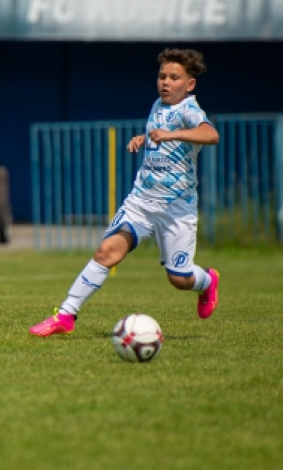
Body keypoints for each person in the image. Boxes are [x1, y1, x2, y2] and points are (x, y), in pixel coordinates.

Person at [30, 47, 220, 337]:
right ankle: (65, 316)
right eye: (162, 76)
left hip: (176, 209)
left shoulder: (190, 110)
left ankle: (207, 281)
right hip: (141, 202)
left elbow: (210, 134)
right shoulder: (159, 105)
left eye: (174, 77)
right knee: (106, 252)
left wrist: (170, 135)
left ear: (190, 84)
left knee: (179, 278)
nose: (165, 82)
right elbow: (163, 136)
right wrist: (145, 139)